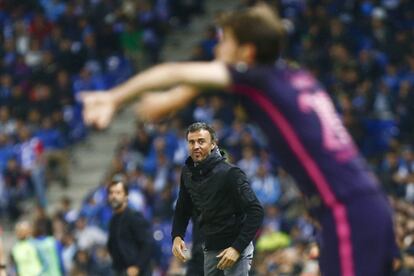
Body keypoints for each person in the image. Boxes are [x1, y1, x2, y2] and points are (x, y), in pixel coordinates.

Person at [81, 3, 397, 275]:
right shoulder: (295, 76)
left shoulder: (259, 81)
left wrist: (113, 97)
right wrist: (172, 101)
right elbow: (204, 79)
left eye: (224, 42)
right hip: (367, 206)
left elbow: (175, 71)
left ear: (246, 53)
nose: (216, 50)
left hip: (346, 213)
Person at [172, 122, 264, 275]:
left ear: (213, 144)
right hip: (210, 247)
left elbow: (256, 211)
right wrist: (177, 235)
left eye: (201, 141)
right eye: (191, 142)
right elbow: (183, 207)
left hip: (235, 248)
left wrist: (236, 248)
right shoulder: (187, 172)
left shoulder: (231, 173)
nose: (196, 146)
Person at [107, 174, 154, 276]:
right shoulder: (113, 220)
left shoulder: (134, 217)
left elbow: (147, 244)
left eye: (118, 193)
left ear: (126, 196)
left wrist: (137, 267)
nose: (114, 196)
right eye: (111, 193)